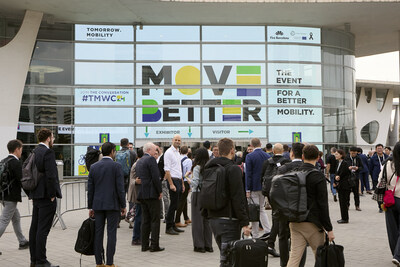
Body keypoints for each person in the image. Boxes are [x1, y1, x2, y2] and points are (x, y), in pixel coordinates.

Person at [205, 138, 251, 266]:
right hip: (229, 220)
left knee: (226, 256)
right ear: (232, 150)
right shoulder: (233, 169)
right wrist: (245, 222)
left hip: (213, 218)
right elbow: (238, 197)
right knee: (228, 260)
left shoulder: (209, 167)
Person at [287, 145, 334, 267]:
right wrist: (329, 229)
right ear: (318, 157)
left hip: (295, 221)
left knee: (294, 257)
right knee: (320, 257)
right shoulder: (318, 176)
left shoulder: (294, 173)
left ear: (302, 156)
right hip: (313, 223)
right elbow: (323, 204)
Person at [88, 142, 126, 267]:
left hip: (98, 205)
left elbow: (90, 188)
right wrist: (123, 205)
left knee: (98, 234)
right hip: (112, 205)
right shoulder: (116, 166)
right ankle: (110, 263)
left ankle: (99, 262)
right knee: (111, 234)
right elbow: (120, 188)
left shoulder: (94, 167)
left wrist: (90, 206)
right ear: (112, 151)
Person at [29, 128, 62, 267]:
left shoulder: (35, 151)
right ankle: (41, 261)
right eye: (52, 137)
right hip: (46, 196)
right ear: (48, 138)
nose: (53, 139)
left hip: (36, 194)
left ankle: (34, 259)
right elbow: (51, 175)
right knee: (43, 229)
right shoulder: (48, 152)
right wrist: (52, 195)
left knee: (35, 228)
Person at [261, 143, 291, 259]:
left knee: (276, 216)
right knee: (279, 218)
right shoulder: (286, 162)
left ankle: (271, 243)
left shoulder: (267, 162)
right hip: (282, 194)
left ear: (273, 151)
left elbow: (261, 177)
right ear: (283, 150)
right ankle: (272, 243)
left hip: (270, 193)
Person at [0, 140, 29, 256]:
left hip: (3, 195)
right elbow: (22, 180)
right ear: (17, 149)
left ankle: (22, 241)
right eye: (21, 149)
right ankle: (22, 241)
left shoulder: (3, 161)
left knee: (16, 217)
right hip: (10, 197)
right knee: (4, 220)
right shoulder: (15, 163)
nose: (21, 152)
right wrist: (31, 195)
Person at [136, 143, 164, 252]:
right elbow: (156, 177)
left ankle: (144, 245)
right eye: (154, 149)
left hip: (143, 194)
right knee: (155, 220)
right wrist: (160, 191)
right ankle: (154, 245)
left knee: (145, 220)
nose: (155, 151)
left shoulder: (140, 161)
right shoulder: (151, 160)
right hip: (152, 194)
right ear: (149, 150)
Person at [378, 142, 400, 266]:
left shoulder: (387, 164)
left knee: (392, 229)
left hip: (390, 200)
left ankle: (395, 254)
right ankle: (398, 255)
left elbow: (380, 180)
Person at [245, 138, 271, 238]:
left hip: (253, 186)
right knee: (261, 209)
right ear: (260, 144)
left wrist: (247, 189)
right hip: (264, 186)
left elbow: (249, 174)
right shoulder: (267, 156)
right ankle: (268, 230)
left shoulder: (249, 156)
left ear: (251, 145)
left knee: (254, 210)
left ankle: (255, 234)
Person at [190, 147, 213, 253]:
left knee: (197, 220)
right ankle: (209, 245)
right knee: (207, 220)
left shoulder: (197, 167)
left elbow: (195, 182)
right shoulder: (209, 166)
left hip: (197, 194)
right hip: (208, 195)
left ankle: (199, 245)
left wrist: (188, 179)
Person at [164, 134, 185, 235]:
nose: (177, 141)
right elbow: (167, 170)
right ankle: (168, 227)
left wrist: (182, 183)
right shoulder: (169, 153)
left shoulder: (177, 153)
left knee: (176, 204)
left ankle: (173, 225)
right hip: (172, 180)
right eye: (176, 140)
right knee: (173, 205)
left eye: (179, 140)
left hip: (178, 180)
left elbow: (179, 169)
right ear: (172, 140)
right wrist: (171, 184)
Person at [127, 148, 144, 245]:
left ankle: (139, 236)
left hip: (137, 192)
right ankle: (136, 238)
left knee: (139, 215)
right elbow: (133, 179)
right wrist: (136, 181)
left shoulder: (138, 163)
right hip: (136, 193)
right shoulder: (138, 164)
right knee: (138, 216)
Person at [175, 145, 192, 227]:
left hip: (178, 180)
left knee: (183, 200)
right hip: (185, 181)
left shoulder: (178, 158)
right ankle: (177, 219)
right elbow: (188, 173)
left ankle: (186, 218)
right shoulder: (189, 161)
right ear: (187, 152)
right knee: (182, 201)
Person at [334, 149, 352, 224]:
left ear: (341, 155)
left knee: (343, 202)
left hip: (345, 185)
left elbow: (343, 173)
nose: (336, 155)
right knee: (341, 202)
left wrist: (338, 177)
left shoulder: (344, 163)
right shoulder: (338, 163)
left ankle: (345, 218)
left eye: (337, 154)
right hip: (341, 185)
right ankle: (343, 217)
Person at [370, 144, 389, 212]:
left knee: (386, 192)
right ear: (376, 149)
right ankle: (380, 207)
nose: (379, 150)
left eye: (381, 148)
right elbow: (370, 168)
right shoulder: (373, 158)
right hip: (376, 177)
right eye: (378, 148)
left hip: (386, 177)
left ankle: (386, 205)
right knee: (379, 192)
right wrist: (372, 177)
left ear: (383, 149)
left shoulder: (387, 157)